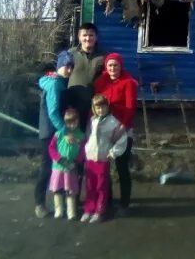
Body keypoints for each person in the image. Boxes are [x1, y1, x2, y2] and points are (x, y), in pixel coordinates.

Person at [94, 52, 138, 217]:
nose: (112, 68)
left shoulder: (129, 83)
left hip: (122, 129)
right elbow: (96, 103)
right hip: (104, 128)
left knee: (121, 166)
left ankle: (125, 203)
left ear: (121, 66)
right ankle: (107, 201)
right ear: (106, 67)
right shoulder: (100, 82)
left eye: (116, 65)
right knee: (104, 167)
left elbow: (130, 107)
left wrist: (123, 128)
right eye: (110, 65)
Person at [34, 50, 74, 219]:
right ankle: (39, 204)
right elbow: (53, 112)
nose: (69, 70)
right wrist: (64, 131)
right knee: (47, 168)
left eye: (71, 67)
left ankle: (61, 203)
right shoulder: (54, 84)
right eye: (67, 66)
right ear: (59, 66)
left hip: (52, 131)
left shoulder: (55, 81)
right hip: (51, 132)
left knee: (58, 167)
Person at [81, 94, 127, 223]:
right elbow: (87, 135)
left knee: (101, 186)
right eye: (98, 108)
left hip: (103, 158)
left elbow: (122, 139)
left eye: (103, 107)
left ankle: (99, 211)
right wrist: (85, 148)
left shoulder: (113, 122)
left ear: (107, 107)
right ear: (94, 109)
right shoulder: (92, 121)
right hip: (90, 157)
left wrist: (113, 153)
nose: (100, 110)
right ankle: (88, 209)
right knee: (90, 185)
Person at [48, 107, 86, 221]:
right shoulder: (59, 134)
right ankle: (58, 210)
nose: (71, 125)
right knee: (57, 189)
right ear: (65, 122)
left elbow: (83, 150)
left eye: (74, 122)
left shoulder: (81, 135)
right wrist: (58, 158)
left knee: (71, 190)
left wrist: (77, 161)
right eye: (68, 122)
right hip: (58, 166)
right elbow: (51, 148)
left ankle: (71, 212)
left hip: (71, 167)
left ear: (78, 121)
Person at [67, 23, 106, 131]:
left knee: (89, 136)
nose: (88, 38)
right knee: (72, 135)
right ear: (79, 37)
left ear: (96, 37)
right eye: (84, 35)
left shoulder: (103, 56)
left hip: (93, 105)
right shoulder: (70, 54)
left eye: (91, 35)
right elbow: (61, 75)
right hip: (72, 102)